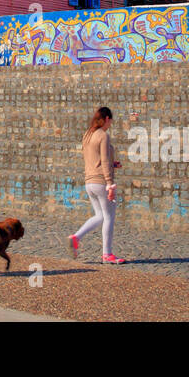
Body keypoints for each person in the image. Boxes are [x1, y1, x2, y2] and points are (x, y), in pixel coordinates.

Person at [69, 106, 126, 264]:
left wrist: (112, 164)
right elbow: (104, 160)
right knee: (109, 217)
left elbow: (95, 159)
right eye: (111, 121)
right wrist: (110, 184)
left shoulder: (88, 134)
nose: (111, 124)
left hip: (89, 182)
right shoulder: (103, 136)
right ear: (107, 119)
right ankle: (107, 254)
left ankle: (76, 237)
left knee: (100, 216)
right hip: (101, 182)